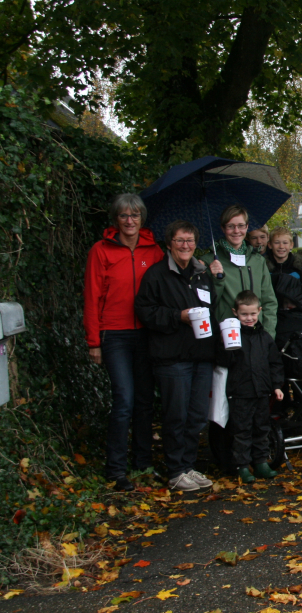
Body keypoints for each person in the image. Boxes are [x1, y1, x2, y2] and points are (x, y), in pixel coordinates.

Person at [83, 193, 164, 491]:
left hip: (146, 334)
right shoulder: (101, 250)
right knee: (124, 400)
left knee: (144, 400)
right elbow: (92, 296)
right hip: (114, 334)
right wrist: (93, 341)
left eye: (135, 215)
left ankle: (143, 463)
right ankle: (115, 469)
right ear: (115, 219)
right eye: (123, 216)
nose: (129, 221)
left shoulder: (154, 250)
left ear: (142, 218)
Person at [134, 220, 216, 492]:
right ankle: (175, 470)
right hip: (172, 357)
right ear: (169, 244)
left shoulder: (201, 274)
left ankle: (188, 466)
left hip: (201, 354)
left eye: (190, 240)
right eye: (180, 240)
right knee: (176, 415)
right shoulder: (157, 275)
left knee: (197, 415)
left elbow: (212, 306)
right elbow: (144, 311)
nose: (185, 245)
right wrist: (176, 316)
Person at [217, 290, 284, 483]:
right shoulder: (232, 336)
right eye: (244, 314)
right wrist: (224, 345)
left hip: (262, 391)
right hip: (240, 391)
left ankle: (261, 462)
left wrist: (276, 385)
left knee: (261, 427)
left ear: (259, 311)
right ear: (235, 313)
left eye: (253, 314)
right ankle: (242, 466)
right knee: (241, 429)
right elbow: (224, 362)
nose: (249, 318)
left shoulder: (265, 337)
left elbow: (275, 363)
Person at [205, 205, 278, 338]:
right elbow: (208, 303)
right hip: (227, 334)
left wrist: (268, 335)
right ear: (223, 228)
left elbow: (269, 301)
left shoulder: (258, 261)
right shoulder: (209, 261)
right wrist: (217, 279)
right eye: (230, 226)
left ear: (247, 227)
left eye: (241, 225)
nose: (236, 231)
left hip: (257, 334)